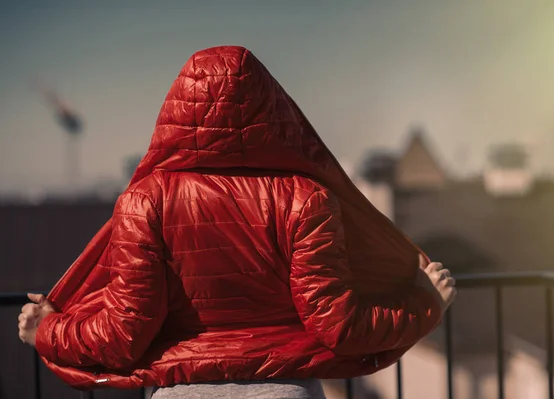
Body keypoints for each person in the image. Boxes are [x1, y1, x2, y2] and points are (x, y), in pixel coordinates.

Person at [18, 46, 456, 398]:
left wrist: (46, 329)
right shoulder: (307, 199)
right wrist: (425, 304)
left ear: (178, 108)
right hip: (285, 390)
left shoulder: (144, 202)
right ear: (272, 107)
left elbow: (123, 335)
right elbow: (339, 327)